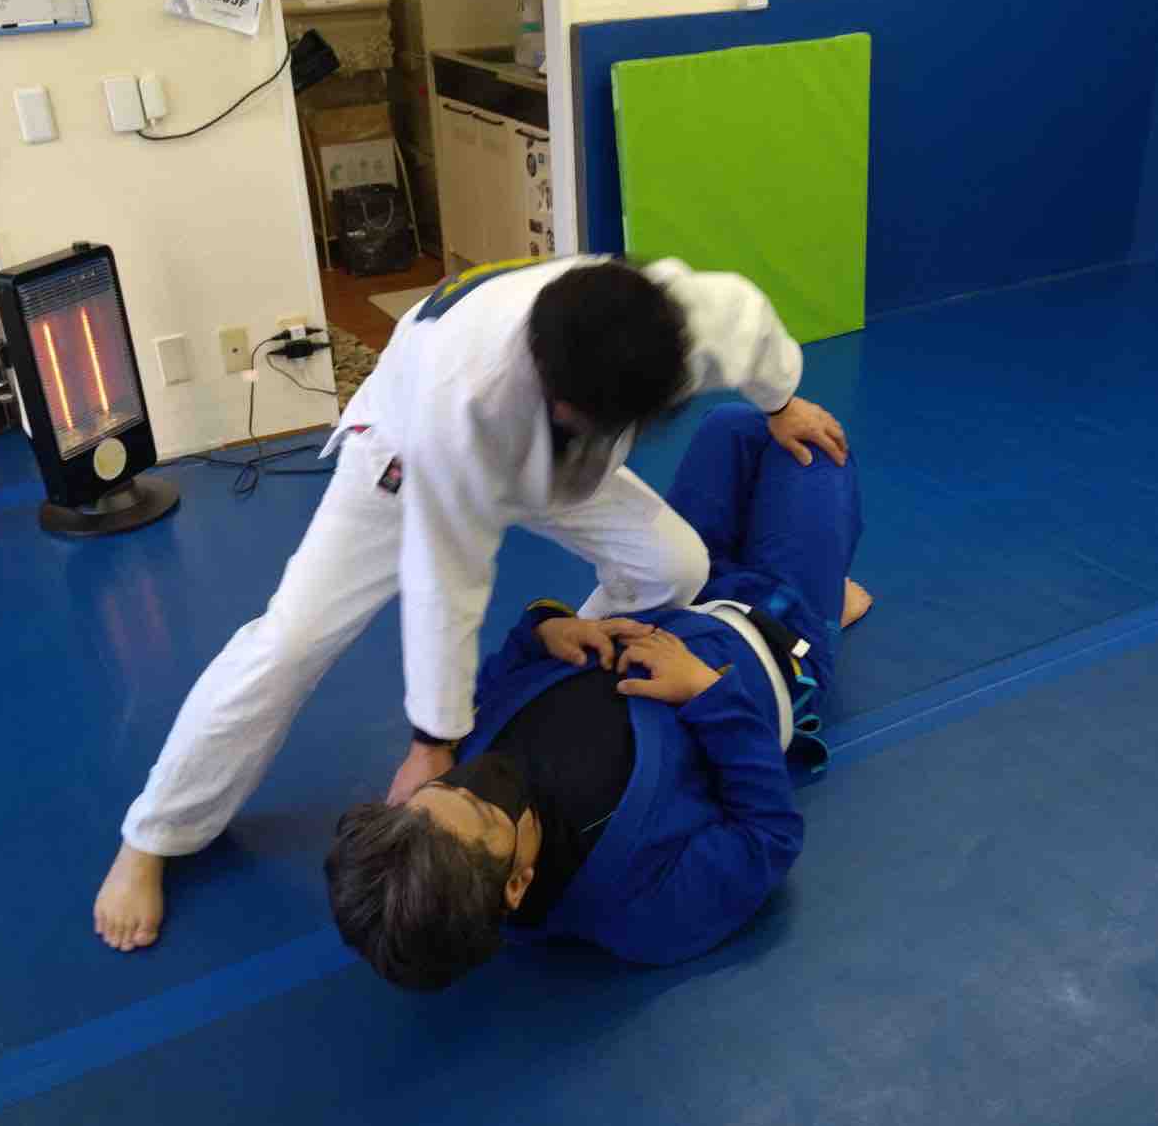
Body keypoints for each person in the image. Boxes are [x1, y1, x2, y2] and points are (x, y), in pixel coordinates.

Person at [94, 256, 851, 952]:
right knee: (290, 642)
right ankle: (155, 833)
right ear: (554, 391)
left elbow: (747, 318)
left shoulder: (667, 318)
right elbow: (445, 583)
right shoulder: (459, 403)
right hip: (403, 457)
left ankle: (578, 670)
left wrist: (780, 401)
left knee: (673, 564)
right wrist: (434, 739)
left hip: (558, 454)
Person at [325, 402, 867, 988]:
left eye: (443, 788)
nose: (472, 779)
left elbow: (501, 679)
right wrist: (707, 695)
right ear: (516, 884)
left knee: (735, 426)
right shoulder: (639, 911)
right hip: (775, 632)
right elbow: (768, 839)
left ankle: (821, 579)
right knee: (815, 450)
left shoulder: (445, 796)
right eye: (481, 807)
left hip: (677, 594)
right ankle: (825, 599)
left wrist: (543, 631)